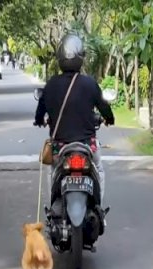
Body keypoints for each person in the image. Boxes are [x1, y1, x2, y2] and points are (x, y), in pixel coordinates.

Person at [33, 34, 115, 209]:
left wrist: (39, 120)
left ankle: (53, 206)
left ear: (60, 57)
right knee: (98, 168)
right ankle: (98, 207)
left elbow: (40, 112)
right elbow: (104, 107)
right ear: (81, 57)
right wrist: (109, 119)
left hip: (59, 147)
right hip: (87, 146)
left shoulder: (51, 85)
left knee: (53, 171)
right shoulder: (90, 84)